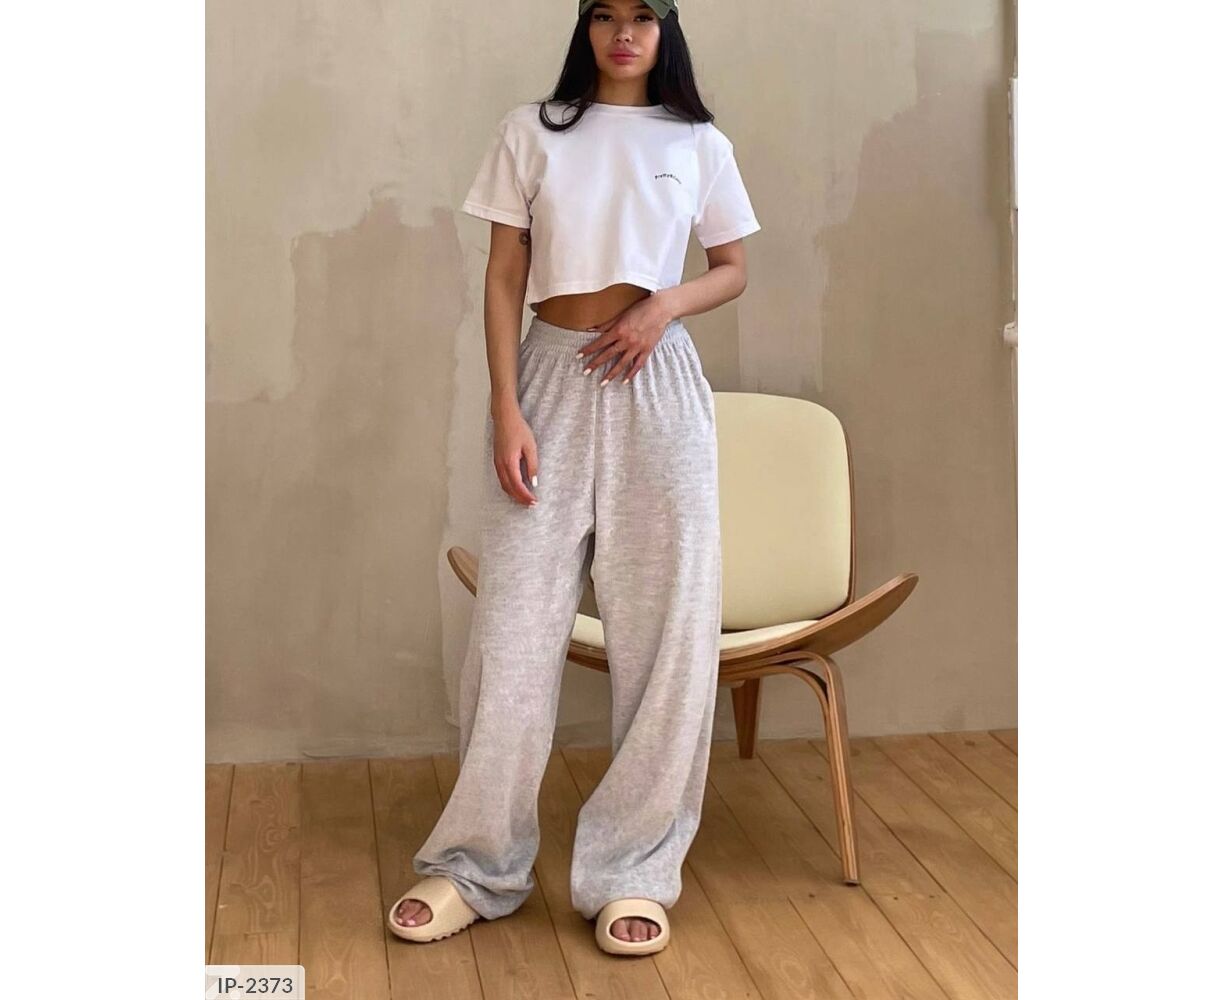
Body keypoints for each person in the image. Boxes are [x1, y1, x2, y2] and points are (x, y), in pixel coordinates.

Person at [388, 0, 760, 956]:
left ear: (665, 29)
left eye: (642, 16)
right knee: (512, 633)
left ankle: (634, 869)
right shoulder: (531, 131)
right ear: (583, 27)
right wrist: (504, 406)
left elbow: (731, 267)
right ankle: (474, 863)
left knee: (666, 635)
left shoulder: (697, 141)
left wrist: (663, 307)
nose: (622, 33)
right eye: (603, 14)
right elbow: (503, 276)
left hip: (657, 382)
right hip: (549, 377)